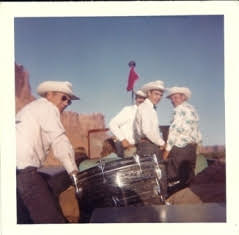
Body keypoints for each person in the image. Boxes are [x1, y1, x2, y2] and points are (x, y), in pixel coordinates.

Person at [16, 80, 80, 223]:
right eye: (64, 98)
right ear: (49, 95)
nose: (66, 103)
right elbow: (58, 139)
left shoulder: (28, 109)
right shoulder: (48, 108)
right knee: (52, 221)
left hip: (16, 171)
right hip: (25, 171)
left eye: (69, 102)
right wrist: (73, 172)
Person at [163, 86, 202, 187]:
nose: (173, 101)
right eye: (171, 98)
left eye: (176, 97)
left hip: (180, 149)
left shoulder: (179, 110)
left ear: (183, 97)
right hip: (191, 149)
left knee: (175, 180)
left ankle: (175, 201)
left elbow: (174, 132)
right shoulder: (192, 109)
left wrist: (166, 152)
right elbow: (197, 130)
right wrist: (197, 149)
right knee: (189, 179)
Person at [109, 89, 146, 157]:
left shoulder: (145, 114)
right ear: (136, 98)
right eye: (140, 97)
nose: (142, 100)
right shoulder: (128, 110)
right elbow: (112, 124)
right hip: (130, 149)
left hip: (142, 149)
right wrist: (123, 139)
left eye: (144, 98)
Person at [134, 80, 165, 158]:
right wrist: (162, 143)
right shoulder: (145, 107)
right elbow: (147, 131)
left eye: (161, 95)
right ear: (148, 93)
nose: (159, 97)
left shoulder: (151, 108)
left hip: (149, 145)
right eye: (156, 94)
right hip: (148, 147)